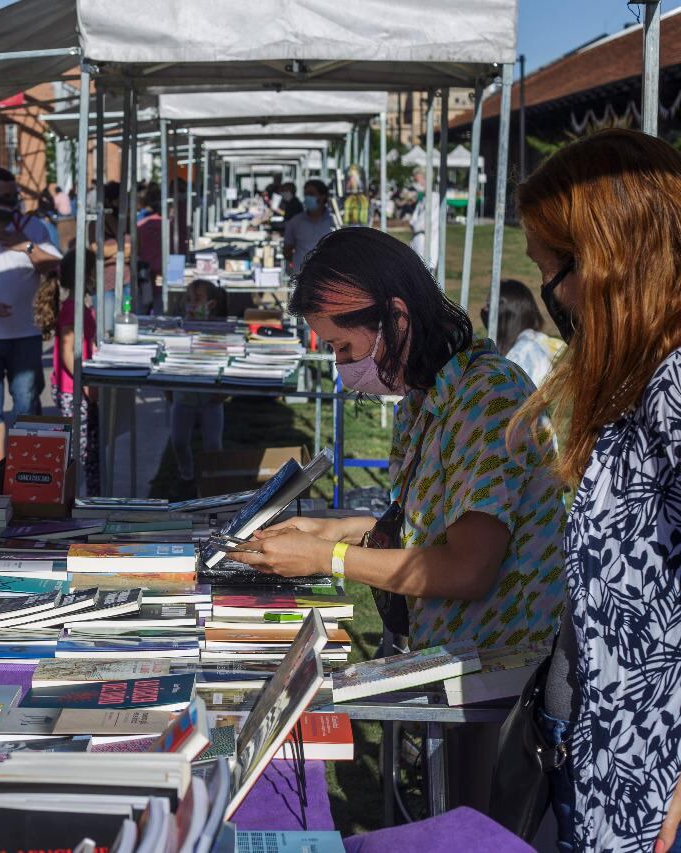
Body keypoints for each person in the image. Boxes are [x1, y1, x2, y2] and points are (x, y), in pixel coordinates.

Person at [229, 227, 567, 809]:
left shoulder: (486, 400)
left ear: (397, 320)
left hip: (506, 678)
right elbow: (423, 527)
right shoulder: (428, 396)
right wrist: (326, 530)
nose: (341, 368)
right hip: (462, 660)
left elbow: (466, 569)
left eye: (344, 348)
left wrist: (328, 556)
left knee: (482, 826)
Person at [511, 129, 681, 853]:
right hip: (605, 760)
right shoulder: (639, 378)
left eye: (557, 269)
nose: (554, 295)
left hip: (651, 786)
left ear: (612, 261)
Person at [0, 167, 60, 463]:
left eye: (15, 195)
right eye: (5, 197)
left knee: (26, 408)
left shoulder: (34, 228)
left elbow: (56, 265)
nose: (13, 201)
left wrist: (25, 245)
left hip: (26, 336)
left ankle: (24, 472)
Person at [36, 248, 99, 495]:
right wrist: (85, 383)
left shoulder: (78, 305)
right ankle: (72, 501)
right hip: (73, 390)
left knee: (88, 450)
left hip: (78, 387)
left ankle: (86, 497)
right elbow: (67, 350)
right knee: (79, 455)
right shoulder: (73, 309)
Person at [169, 279, 227, 497]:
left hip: (211, 399)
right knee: (179, 441)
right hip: (183, 398)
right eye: (189, 299)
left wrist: (223, 392)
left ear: (211, 304)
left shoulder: (219, 330)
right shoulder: (180, 328)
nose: (192, 304)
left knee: (213, 443)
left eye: (197, 299)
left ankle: (213, 480)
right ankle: (187, 476)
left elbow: (226, 359)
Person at [479, 279, 564, 387]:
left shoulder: (527, 352)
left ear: (507, 311)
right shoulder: (520, 349)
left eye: (488, 305)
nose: (484, 309)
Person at [282, 179, 335, 269]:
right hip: (303, 275)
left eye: (311, 194)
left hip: (327, 274)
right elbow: (287, 250)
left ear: (322, 196)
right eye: (306, 194)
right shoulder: (295, 222)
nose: (307, 198)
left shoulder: (333, 221)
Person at [409, 167, 439, 268]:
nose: (416, 184)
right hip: (417, 245)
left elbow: (422, 224)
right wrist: (414, 224)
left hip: (427, 247)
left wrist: (415, 224)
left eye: (417, 180)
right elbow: (412, 221)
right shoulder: (422, 199)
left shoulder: (434, 199)